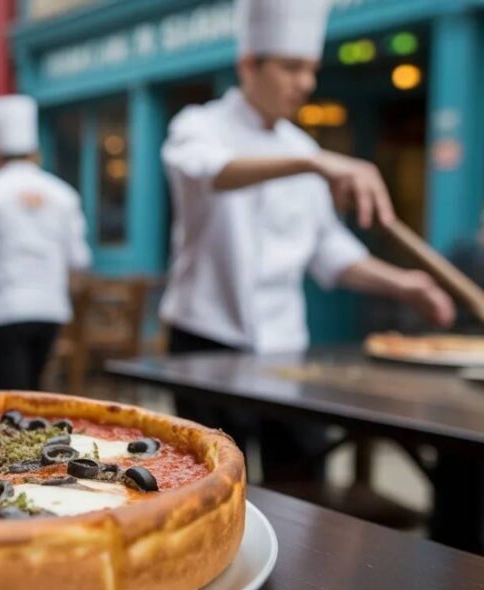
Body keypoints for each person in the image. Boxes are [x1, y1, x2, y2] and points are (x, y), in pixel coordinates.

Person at [160, 0, 465, 539]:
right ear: (249, 64)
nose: (305, 83)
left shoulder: (302, 147)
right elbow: (211, 173)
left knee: (300, 493)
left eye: (312, 70)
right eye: (292, 68)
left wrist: (405, 284)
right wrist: (316, 162)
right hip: (205, 344)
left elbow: (330, 253)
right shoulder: (199, 126)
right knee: (211, 495)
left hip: (283, 351)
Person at [0, 95, 91, 391]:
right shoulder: (63, 193)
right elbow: (78, 260)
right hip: (51, 308)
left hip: (2, 309)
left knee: (9, 397)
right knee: (35, 391)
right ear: (35, 152)